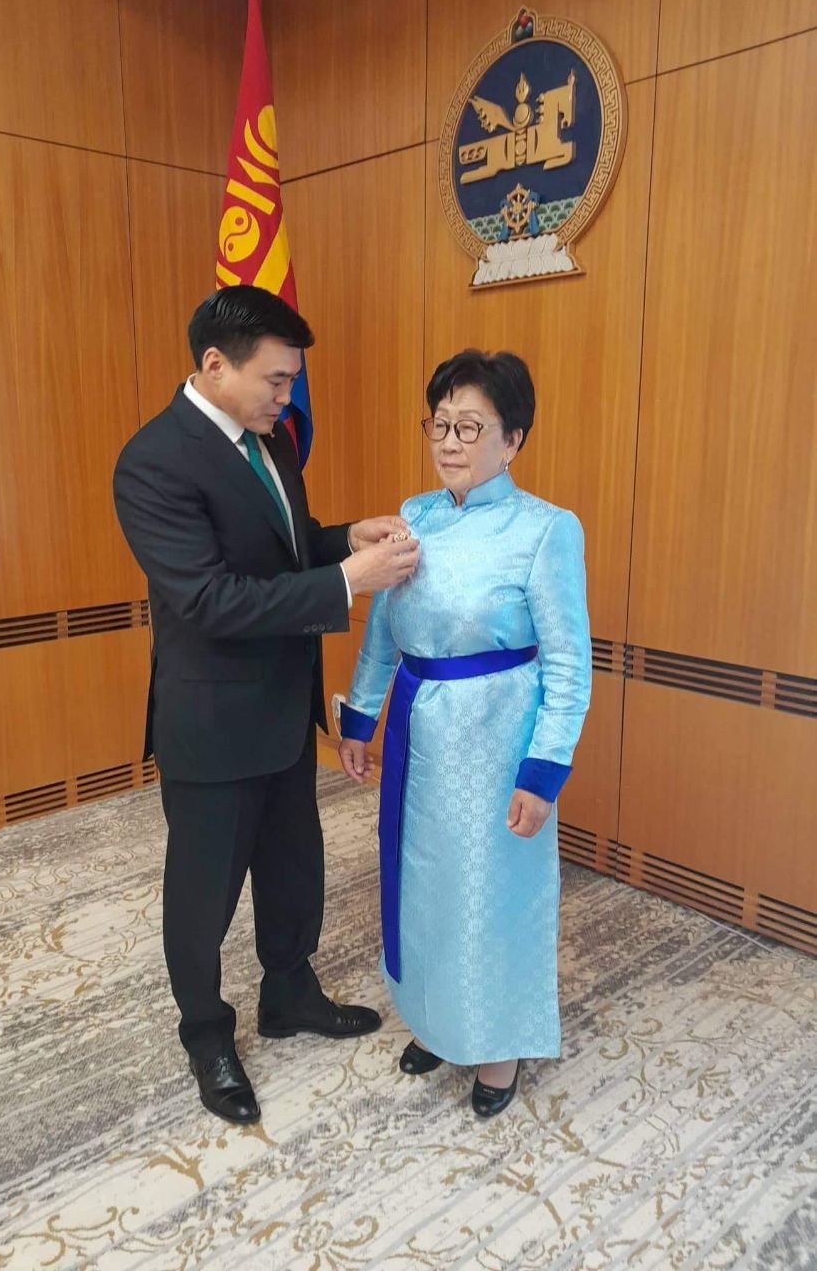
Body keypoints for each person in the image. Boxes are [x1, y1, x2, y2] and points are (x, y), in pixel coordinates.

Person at [113, 287, 420, 1125]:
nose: (288, 397)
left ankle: (289, 992)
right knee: (202, 895)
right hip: (212, 722)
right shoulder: (153, 462)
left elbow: (284, 550)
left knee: (293, 868)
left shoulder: (271, 441)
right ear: (215, 364)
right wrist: (349, 581)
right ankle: (206, 1034)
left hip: (283, 706)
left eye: (292, 381)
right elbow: (210, 600)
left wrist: (343, 539)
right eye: (276, 380)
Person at [337, 349, 591, 1118]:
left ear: (512, 439)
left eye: (470, 427)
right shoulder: (412, 517)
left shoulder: (546, 529)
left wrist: (542, 772)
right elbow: (384, 629)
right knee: (423, 885)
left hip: (496, 741)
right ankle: (438, 1020)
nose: (449, 441)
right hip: (420, 734)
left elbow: (568, 662)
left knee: (491, 891)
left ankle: (498, 1047)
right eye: (440, 424)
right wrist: (360, 717)